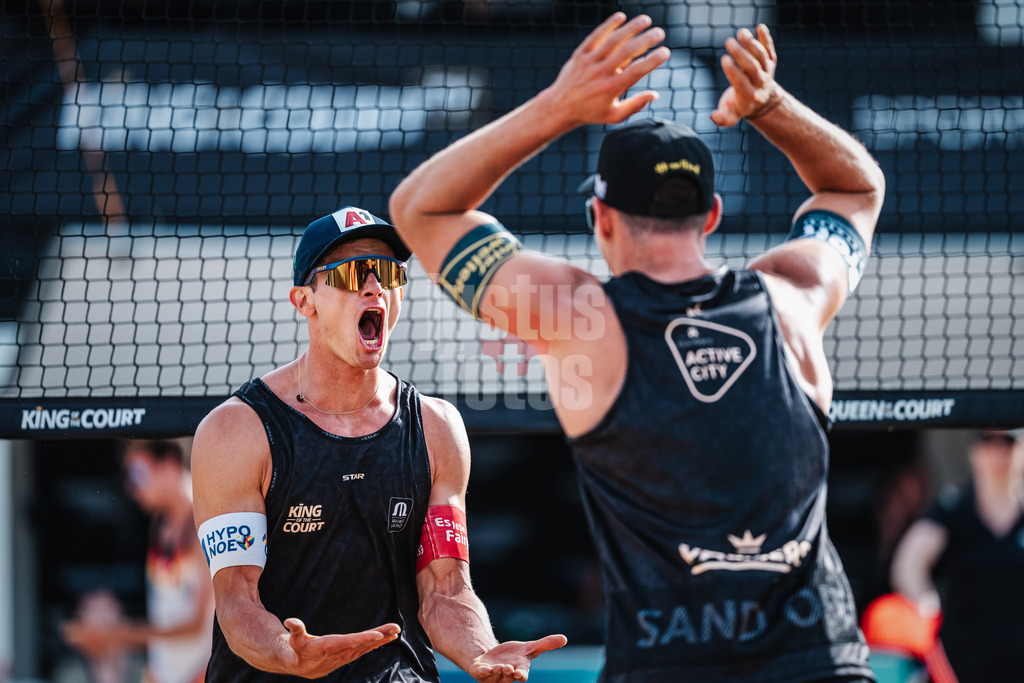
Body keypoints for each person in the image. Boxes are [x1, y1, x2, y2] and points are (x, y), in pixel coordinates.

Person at [389, 13, 885, 682]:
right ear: (710, 215)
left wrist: (558, 107)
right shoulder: (791, 298)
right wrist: (770, 105)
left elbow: (421, 209)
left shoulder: (581, 318)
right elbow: (856, 188)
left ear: (600, 218)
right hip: (819, 661)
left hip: (668, 663)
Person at [189, 206, 566, 683]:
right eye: (350, 273)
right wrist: (288, 653)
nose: (374, 287)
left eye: (386, 272)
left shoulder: (436, 426)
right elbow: (237, 600)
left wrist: (480, 652)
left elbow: (445, 589)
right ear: (304, 300)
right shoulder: (237, 430)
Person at [62, 439, 215, 683]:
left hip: (200, 674)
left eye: (139, 473)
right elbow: (166, 614)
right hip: (163, 674)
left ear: (170, 464)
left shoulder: (205, 522)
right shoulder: (160, 524)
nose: (133, 487)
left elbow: (197, 625)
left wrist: (116, 634)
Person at [890, 429, 1024, 682]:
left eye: (1008, 441)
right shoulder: (952, 510)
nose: (997, 451)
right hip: (961, 660)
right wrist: (927, 604)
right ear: (974, 450)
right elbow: (908, 564)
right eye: (987, 440)